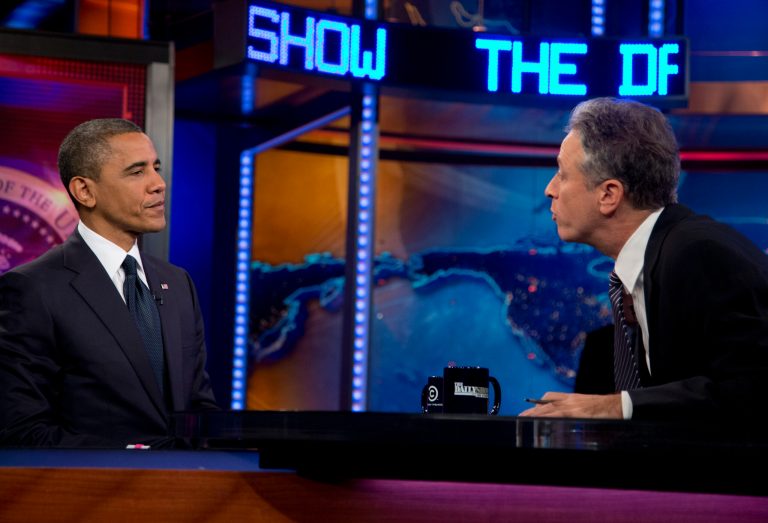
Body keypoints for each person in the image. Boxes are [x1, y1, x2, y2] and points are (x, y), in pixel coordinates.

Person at [520, 97, 768, 420]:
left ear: (609, 195)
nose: (550, 190)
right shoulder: (658, 259)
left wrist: (615, 406)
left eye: (563, 175)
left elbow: (754, 389)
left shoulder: (697, 253)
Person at [0, 118, 219, 447]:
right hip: (92, 491)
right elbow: (23, 429)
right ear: (85, 191)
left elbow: (199, 408)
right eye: (137, 171)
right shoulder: (33, 289)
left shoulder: (178, 283)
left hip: (184, 491)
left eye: (155, 167)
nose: (158, 183)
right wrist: (129, 458)